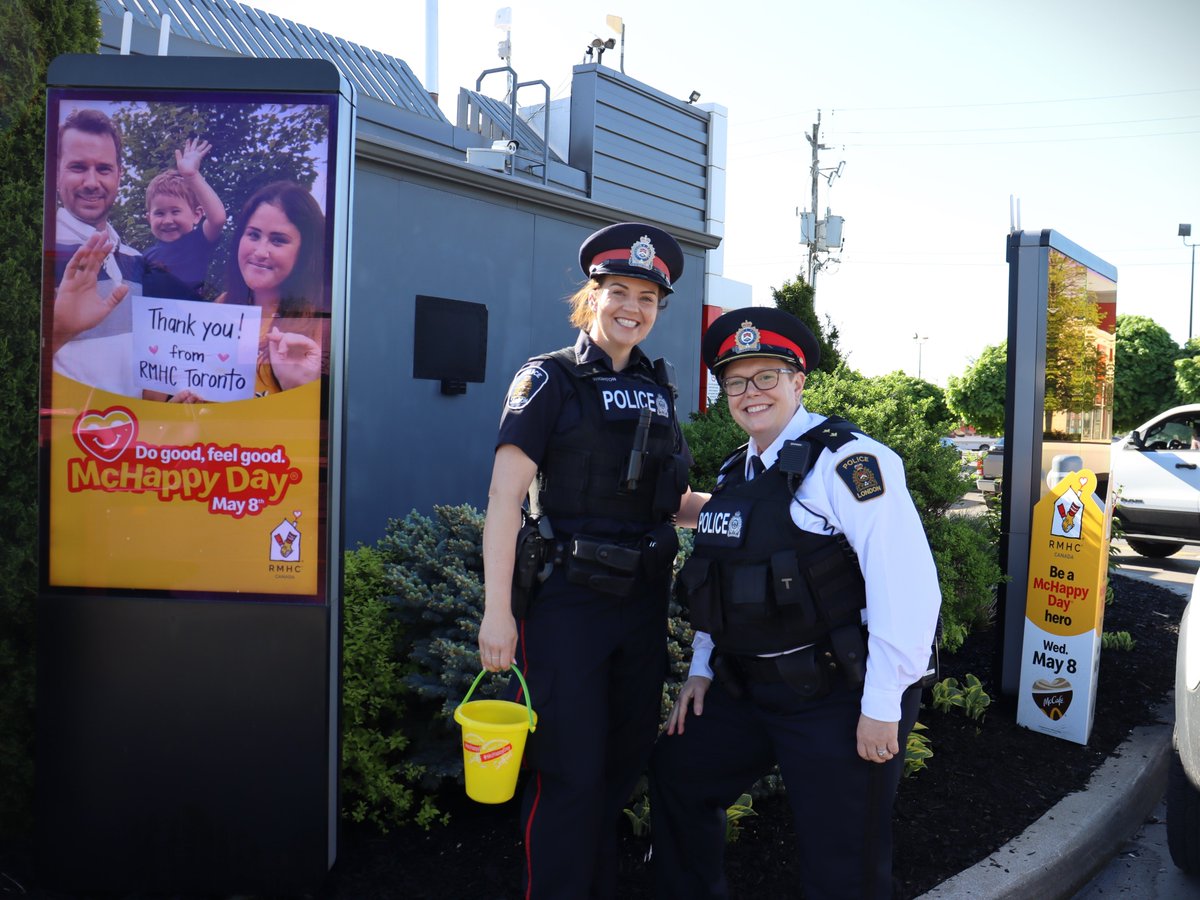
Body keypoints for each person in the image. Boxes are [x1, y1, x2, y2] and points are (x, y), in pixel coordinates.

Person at [649, 306, 942, 899]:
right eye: (736, 381)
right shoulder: (739, 473)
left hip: (836, 697)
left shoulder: (849, 462)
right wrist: (702, 670)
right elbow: (719, 580)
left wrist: (884, 704)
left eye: (767, 377)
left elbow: (907, 588)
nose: (750, 393)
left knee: (843, 865)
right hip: (747, 690)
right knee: (680, 775)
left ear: (798, 381)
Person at [478, 223, 710, 899]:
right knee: (569, 774)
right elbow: (503, 498)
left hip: (639, 610)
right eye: (618, 291)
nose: (631, 307)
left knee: (618, 768)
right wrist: (498, 615)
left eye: (646, 296)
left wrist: (755, 506)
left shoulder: (659, 389)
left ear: (658, 308)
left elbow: (669, 503)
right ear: (593, 296)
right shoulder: (548, 379)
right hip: (567, 608)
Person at [170, 181, 326, 402]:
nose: (260, 251)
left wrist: (299, 390)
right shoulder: (222, 305)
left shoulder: (320, 324)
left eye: (278, 240)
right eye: (253, 235)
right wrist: (183, 407)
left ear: (304, 252)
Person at [51, 107, 144, 397]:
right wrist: (60, 329)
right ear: (56, 173)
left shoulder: (136, 260)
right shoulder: (40, 253)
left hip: (134, 435)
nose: (92, 182)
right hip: (71, 438)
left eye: (103, 169)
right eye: (78, 167)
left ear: (119, 175)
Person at [142, 137, 228, 301]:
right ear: (149, 218)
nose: (167, 220)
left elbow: (217, 219)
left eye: (175, 212)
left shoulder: (197, 243)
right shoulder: (145, 257)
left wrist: (192, 176)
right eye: (159, 213)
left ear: (196, 215)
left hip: (187, 323)